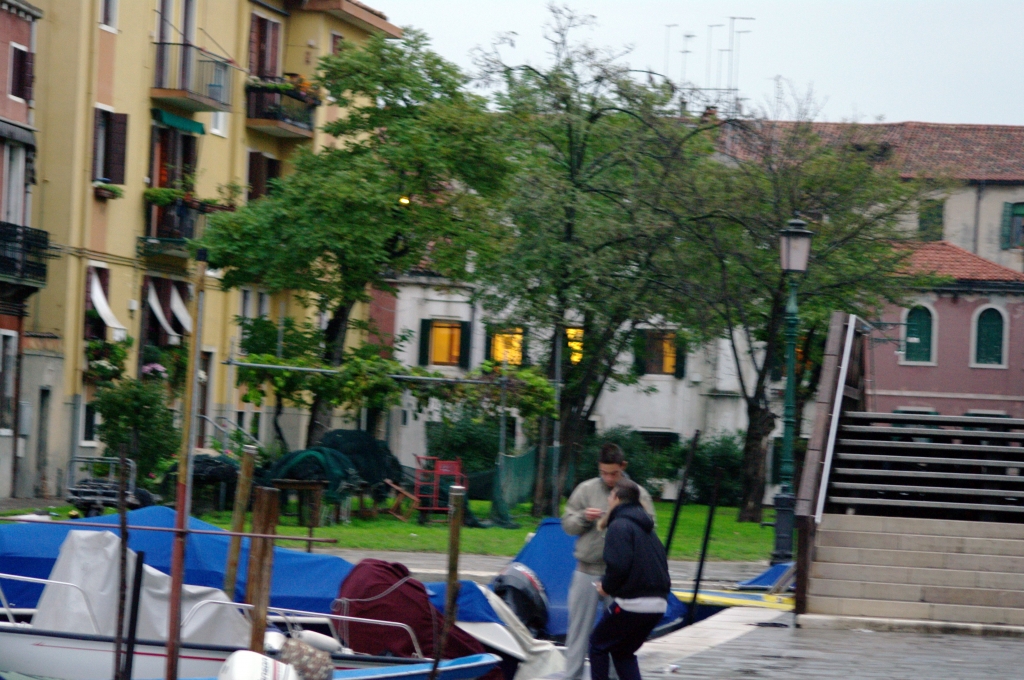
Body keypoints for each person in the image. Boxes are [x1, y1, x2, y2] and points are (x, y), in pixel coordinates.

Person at [561, 443, 654, 680]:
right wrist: (584, 517)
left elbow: (649, 528)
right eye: (604, 473)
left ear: (623, 466)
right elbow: (567, 525)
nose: (609, 478)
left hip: (621, 577)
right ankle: (571, 676)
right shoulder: (585, 489)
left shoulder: (638, 493)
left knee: (616, 634)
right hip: (587, 570)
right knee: (578, 631)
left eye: (614, 473)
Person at [590, 478, 670, 680]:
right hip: (658, 604)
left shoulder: (619, 525)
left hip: (634, 603)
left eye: (610, 495)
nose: (608, 499)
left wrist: (606, 587)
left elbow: (619, 566)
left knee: (597, 645)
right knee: (623, 652)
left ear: (617, 498)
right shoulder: (648, 530)